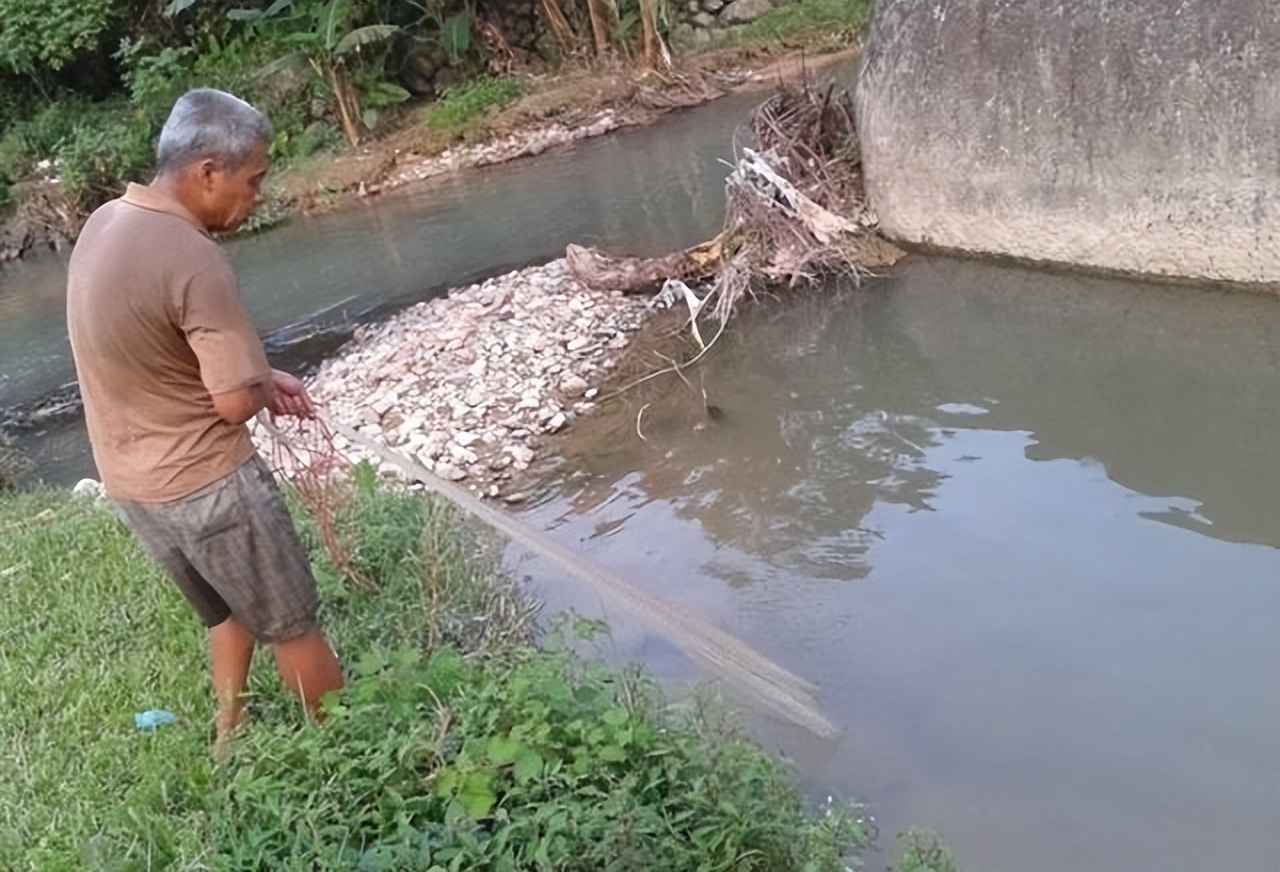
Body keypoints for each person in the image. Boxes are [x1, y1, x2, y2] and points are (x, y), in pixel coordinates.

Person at [66, 88, 344, 752]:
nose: (256, 199)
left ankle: (228, 733)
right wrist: (256, 384)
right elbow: (231, 402)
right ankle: (349, 757)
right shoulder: (192, 255)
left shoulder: (107, 219)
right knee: (294, 624)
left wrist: (259, 374)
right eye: (254, 181)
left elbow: (148, 350)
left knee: (225, 609)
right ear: (209, 171)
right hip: (207, 485)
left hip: (134, 485)